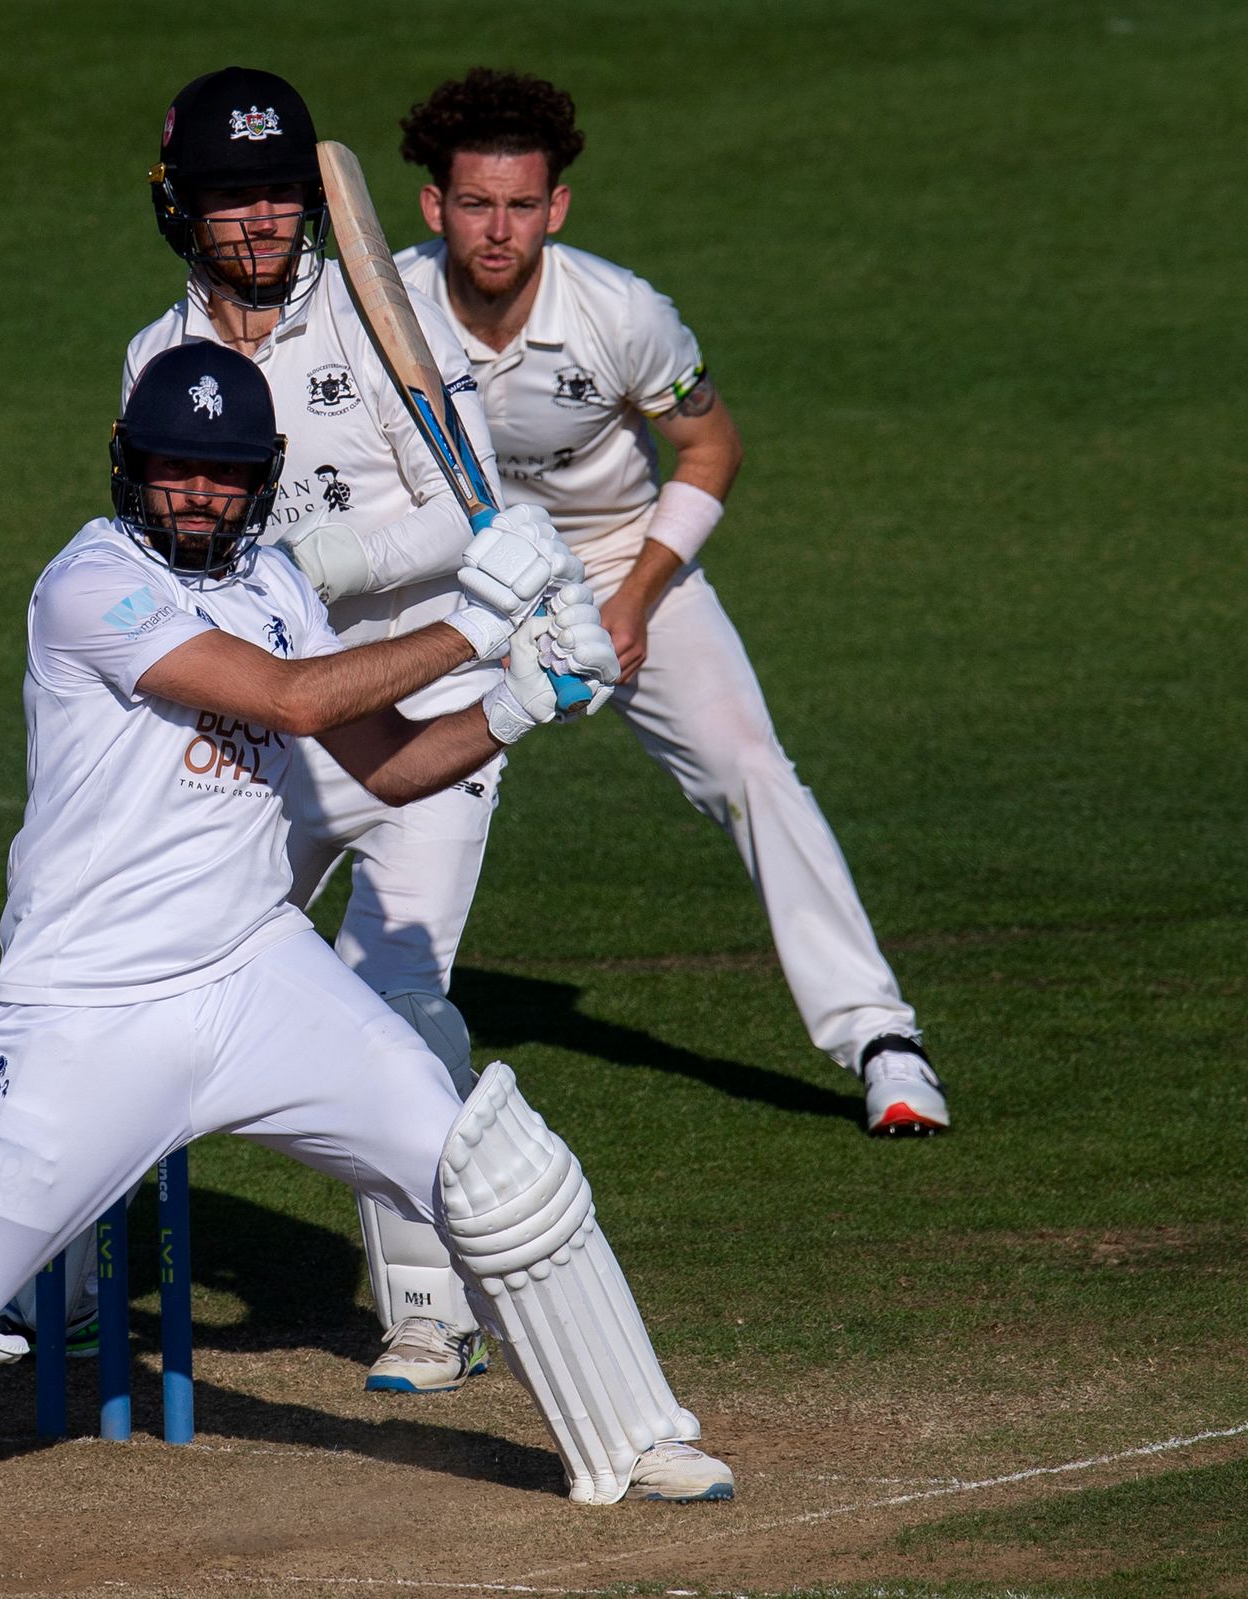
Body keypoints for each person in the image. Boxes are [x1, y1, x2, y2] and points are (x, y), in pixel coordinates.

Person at [0, 345, 737, 1507]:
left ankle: (636, 1437)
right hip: (89, 1011)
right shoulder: (89, 586)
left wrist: (527, 698)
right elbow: (287, 700)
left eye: (223, 475)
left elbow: (392, 767)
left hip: (255, 971)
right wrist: (482, 623)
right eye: (173, 469)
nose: (196, 493)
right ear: (129, 467)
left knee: (492, 1178)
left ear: (260, 480)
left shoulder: (278, 589)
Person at [391, 67, 948, 1141]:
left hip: (615, 560)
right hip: (457, 584)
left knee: (751, 770)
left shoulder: (622, 313)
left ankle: (883, 1040)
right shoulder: (388, 313)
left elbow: (710, 446)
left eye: (520, 206)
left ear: (556, 207)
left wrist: (637, 599)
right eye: (474, 204)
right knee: (414, 799)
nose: (497, 231)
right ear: (434, 206)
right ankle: (384, 1041)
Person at [123, 65, 545, 1397]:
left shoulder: (389, 313)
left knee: (396, 1001)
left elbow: (455, 515)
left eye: (275, 194)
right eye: (229, 196)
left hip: (419, 708)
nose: (256, 220)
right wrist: (277, 579)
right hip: (266, 738)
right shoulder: (156, 359)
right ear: (180, 205)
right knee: (151, 975)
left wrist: (307, 559)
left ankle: (428, 1307)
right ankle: (70, 1260)